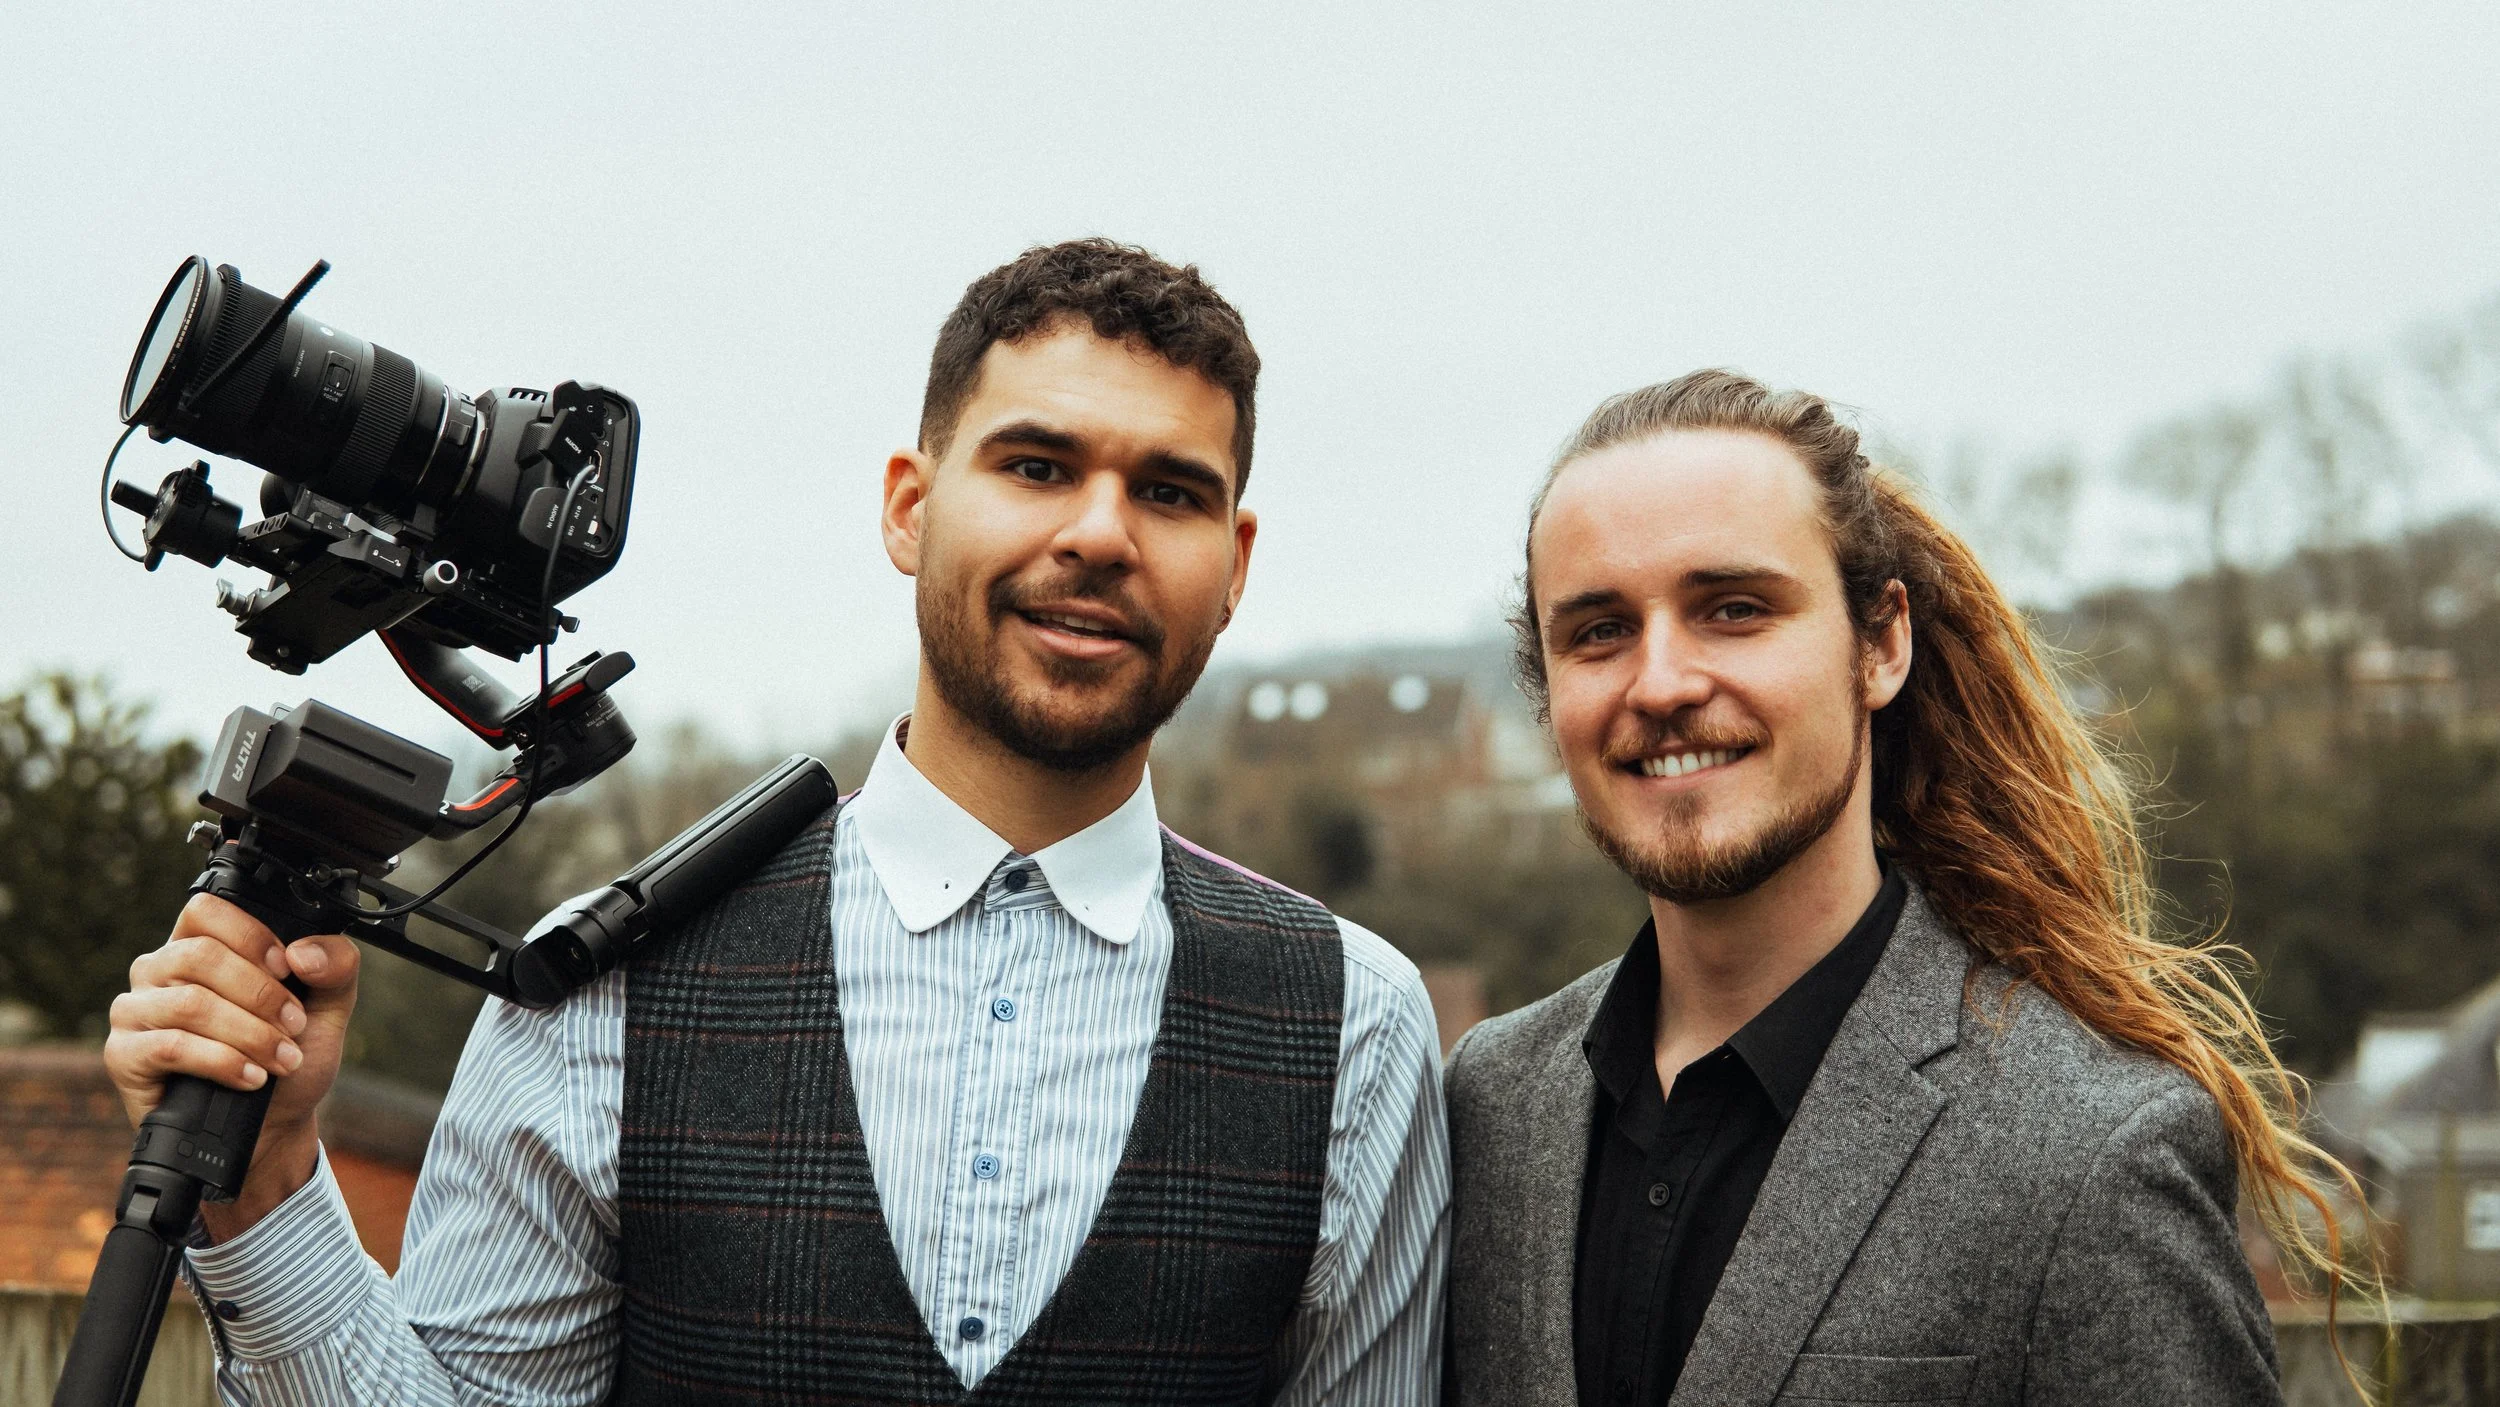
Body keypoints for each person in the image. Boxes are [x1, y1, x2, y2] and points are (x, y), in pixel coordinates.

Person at [105, 239, 1449, 1406]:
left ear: (1237, 563)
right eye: (1037, 464)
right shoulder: (604, 982)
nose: (1101, 532)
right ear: (910, 510)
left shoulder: (1356, 1026)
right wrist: (268, 1177)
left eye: (1169, 490)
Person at [1443, 370, 2362, 1406]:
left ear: (1880, 644)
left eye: (1734, 609)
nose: (1660, 682)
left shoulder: (2085, 1152)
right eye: (1599, 631)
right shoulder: (1489, 1105)